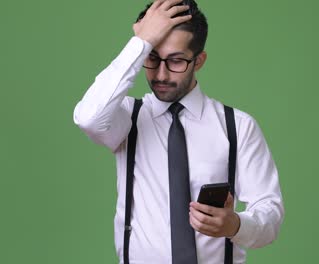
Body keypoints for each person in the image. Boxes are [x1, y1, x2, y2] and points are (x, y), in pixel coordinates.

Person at [73, 0, 284, 263]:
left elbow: (271, 215)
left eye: (175, 61)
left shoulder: (238, 126)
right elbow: (88, 118)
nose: (161, 74)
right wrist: (141, 43)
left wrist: (236, 225)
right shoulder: (127, 118)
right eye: (152, 58)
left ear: (199, 61)